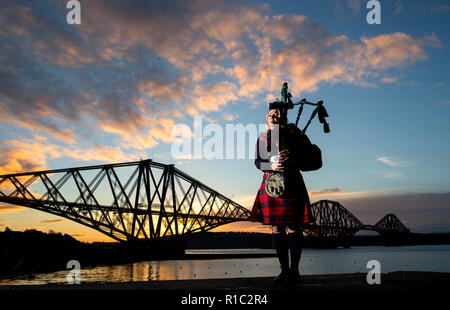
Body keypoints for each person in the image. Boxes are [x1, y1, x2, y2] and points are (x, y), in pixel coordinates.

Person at [250, 103, 314, 285]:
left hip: (292, 181)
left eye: (277, 114)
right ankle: (284, 271)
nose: (273, 116)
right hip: (271, 184)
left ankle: (295, 271)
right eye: (270, 114)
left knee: (293, 226)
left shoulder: (294, 133)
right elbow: (257, 162)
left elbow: (307, 155)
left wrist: (292, 157)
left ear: (283, 118)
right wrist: (270, 166)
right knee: (276, 227)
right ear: (266, 119)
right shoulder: (263, 137)